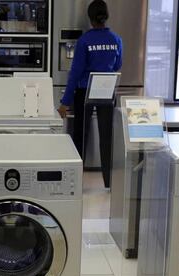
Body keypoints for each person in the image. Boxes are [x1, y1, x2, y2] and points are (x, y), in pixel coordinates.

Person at [57, 0, 123, 188]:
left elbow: (75, 73)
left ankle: (76, 183)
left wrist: (65, 102)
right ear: (106, 16)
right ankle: (109, 184)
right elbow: (117, 65)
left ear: (90, 18)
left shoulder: (84, 41)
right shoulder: (116, 39)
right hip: (108, 89)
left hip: (85, 90)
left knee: (80, 136)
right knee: (107, 137)